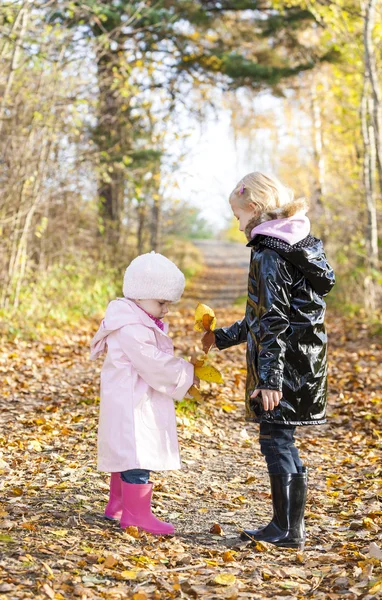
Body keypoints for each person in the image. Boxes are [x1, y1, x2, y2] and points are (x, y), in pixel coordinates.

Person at [202, 172, 335, 549]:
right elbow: (265, 313)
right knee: (282, 440)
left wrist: (270, 378)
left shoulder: (269, 251)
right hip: (304, 362)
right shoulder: (297, 245)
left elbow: (273, 319)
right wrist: (223, 337)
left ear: (255, 208)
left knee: (275, 440)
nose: (237, 223)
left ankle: (285, 529)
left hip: (284, 366)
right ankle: (289, 528)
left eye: (237, 215)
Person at [90, 252, 198, 535]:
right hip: (132, 401)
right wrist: (186, 373)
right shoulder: (132, 328)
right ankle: (136, 515)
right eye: (162, 302)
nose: (166, 310)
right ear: (139, 296)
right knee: (136, 453)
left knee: (127, 450)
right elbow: (153, 362)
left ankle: (118, 504)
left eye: (168, 304)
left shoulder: (137, 320)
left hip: (132, 396)